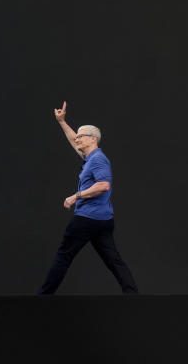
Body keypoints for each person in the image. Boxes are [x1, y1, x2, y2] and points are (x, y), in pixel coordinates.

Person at [37, 102, 139, 294]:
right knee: (113, 260)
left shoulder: (98, 159)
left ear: (93, 139)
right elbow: (72, 140)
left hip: (86, 218)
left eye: (80, 136)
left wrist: (75, 196)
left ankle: (43, 296)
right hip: (103, 221)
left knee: (63, 256)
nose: (76, 139)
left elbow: (104, 185)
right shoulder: (90, 157)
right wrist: (62, 122)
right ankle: (132, 294)